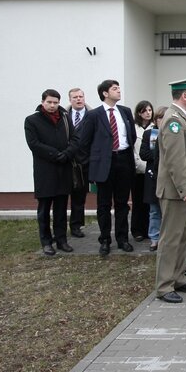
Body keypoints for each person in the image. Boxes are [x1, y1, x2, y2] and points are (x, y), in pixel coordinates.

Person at [154, 78, 186, 304]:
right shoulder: (174, 120)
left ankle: (178, 278)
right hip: (176, 192)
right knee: (171, 239)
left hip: (184, 190)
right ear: (185, 96)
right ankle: (164, 286)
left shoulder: (182, 118)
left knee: (183, 237)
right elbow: (175, 160)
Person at [77, 79, 137, 257]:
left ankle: (122, 238)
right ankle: (104, 240)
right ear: (105, 93)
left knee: (122, 203)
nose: (119, 91)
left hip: (123, 161)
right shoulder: (94, 115)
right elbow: (84, 143)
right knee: (104, 204)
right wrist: (91, 166)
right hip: (104, 165)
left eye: (119, 88)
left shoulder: (125, 112)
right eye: (115, 89)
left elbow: (131, 136)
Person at [24, 89, 79, 255]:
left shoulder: (65, 117)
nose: (52, 105)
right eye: (49, 102)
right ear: (43, 102)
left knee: (61, 208)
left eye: (56, 102)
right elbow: (34, 144)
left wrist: (68, 153)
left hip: (64, 168)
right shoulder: (32, 120)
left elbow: (75, 139)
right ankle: (46, 242)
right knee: (44, 209)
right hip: (45, 170)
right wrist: (56, 154)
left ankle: (61, 240)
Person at [140, 106, 167, 252]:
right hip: (153, 176)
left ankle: (167, 238)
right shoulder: (149, 133)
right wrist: (159, 156)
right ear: (156, 120)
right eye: (159, 118)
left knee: (168, 210)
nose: (162, 121)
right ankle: (154, 238)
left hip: (168, 177)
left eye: (165, 117)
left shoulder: (174, 132)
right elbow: (144, 153)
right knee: (154, 210)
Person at [67, 87, 90, 238]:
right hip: (66, 161)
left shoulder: (92, 116)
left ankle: (76, 225)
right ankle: (60, 228)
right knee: (62, 196)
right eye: (75, 97)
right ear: (70, 100)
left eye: (81, 96)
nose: (78, 99)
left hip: (84, 163)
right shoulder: (64, 115)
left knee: (79, 196)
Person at [131, 100, 153, 242]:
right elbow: (132, 149)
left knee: (150, 202)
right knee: (138, 201)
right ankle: (137, 230)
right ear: (139, 113)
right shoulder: (133, 128)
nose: (148, 113)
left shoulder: (155, 128)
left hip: (151, 170)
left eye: (150, 110)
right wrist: (138, 165)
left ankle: (149, 230)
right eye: (144, 111)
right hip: (137, 170)